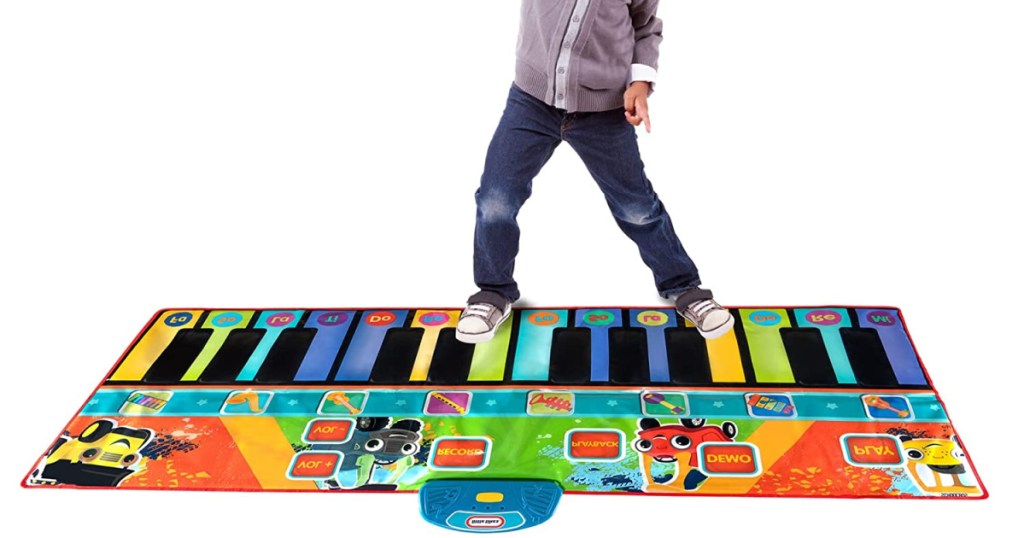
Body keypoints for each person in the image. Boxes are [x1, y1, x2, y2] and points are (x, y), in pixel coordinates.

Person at [456, 0, 732, 344]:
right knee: (496, 199)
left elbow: (645, 27)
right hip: (531, 102)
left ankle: (683, 285)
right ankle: (493, 291)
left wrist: (641, 84)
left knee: (637, 207)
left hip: (605, 111)